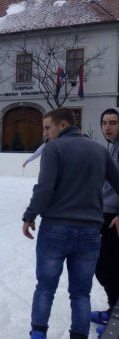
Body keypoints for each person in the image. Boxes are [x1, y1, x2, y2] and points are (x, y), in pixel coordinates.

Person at [21, 108, 119, 339]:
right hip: (90, 232)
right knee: (81, 293)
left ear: (63, 125)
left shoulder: (54, 148)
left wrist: (29, 216)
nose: (45, 133)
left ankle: (38, 334)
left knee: (45, 287)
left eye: (48, 127)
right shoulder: (99, 150)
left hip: (56, 229)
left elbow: (44, 189)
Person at [91, 108, 119, 335]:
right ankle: (113, 310)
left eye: (113, 122)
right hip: (105, 214)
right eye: (104, 122)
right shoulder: (112, 148)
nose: (107, 127)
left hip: (115, 217)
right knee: (104, 266)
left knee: (108, 266)